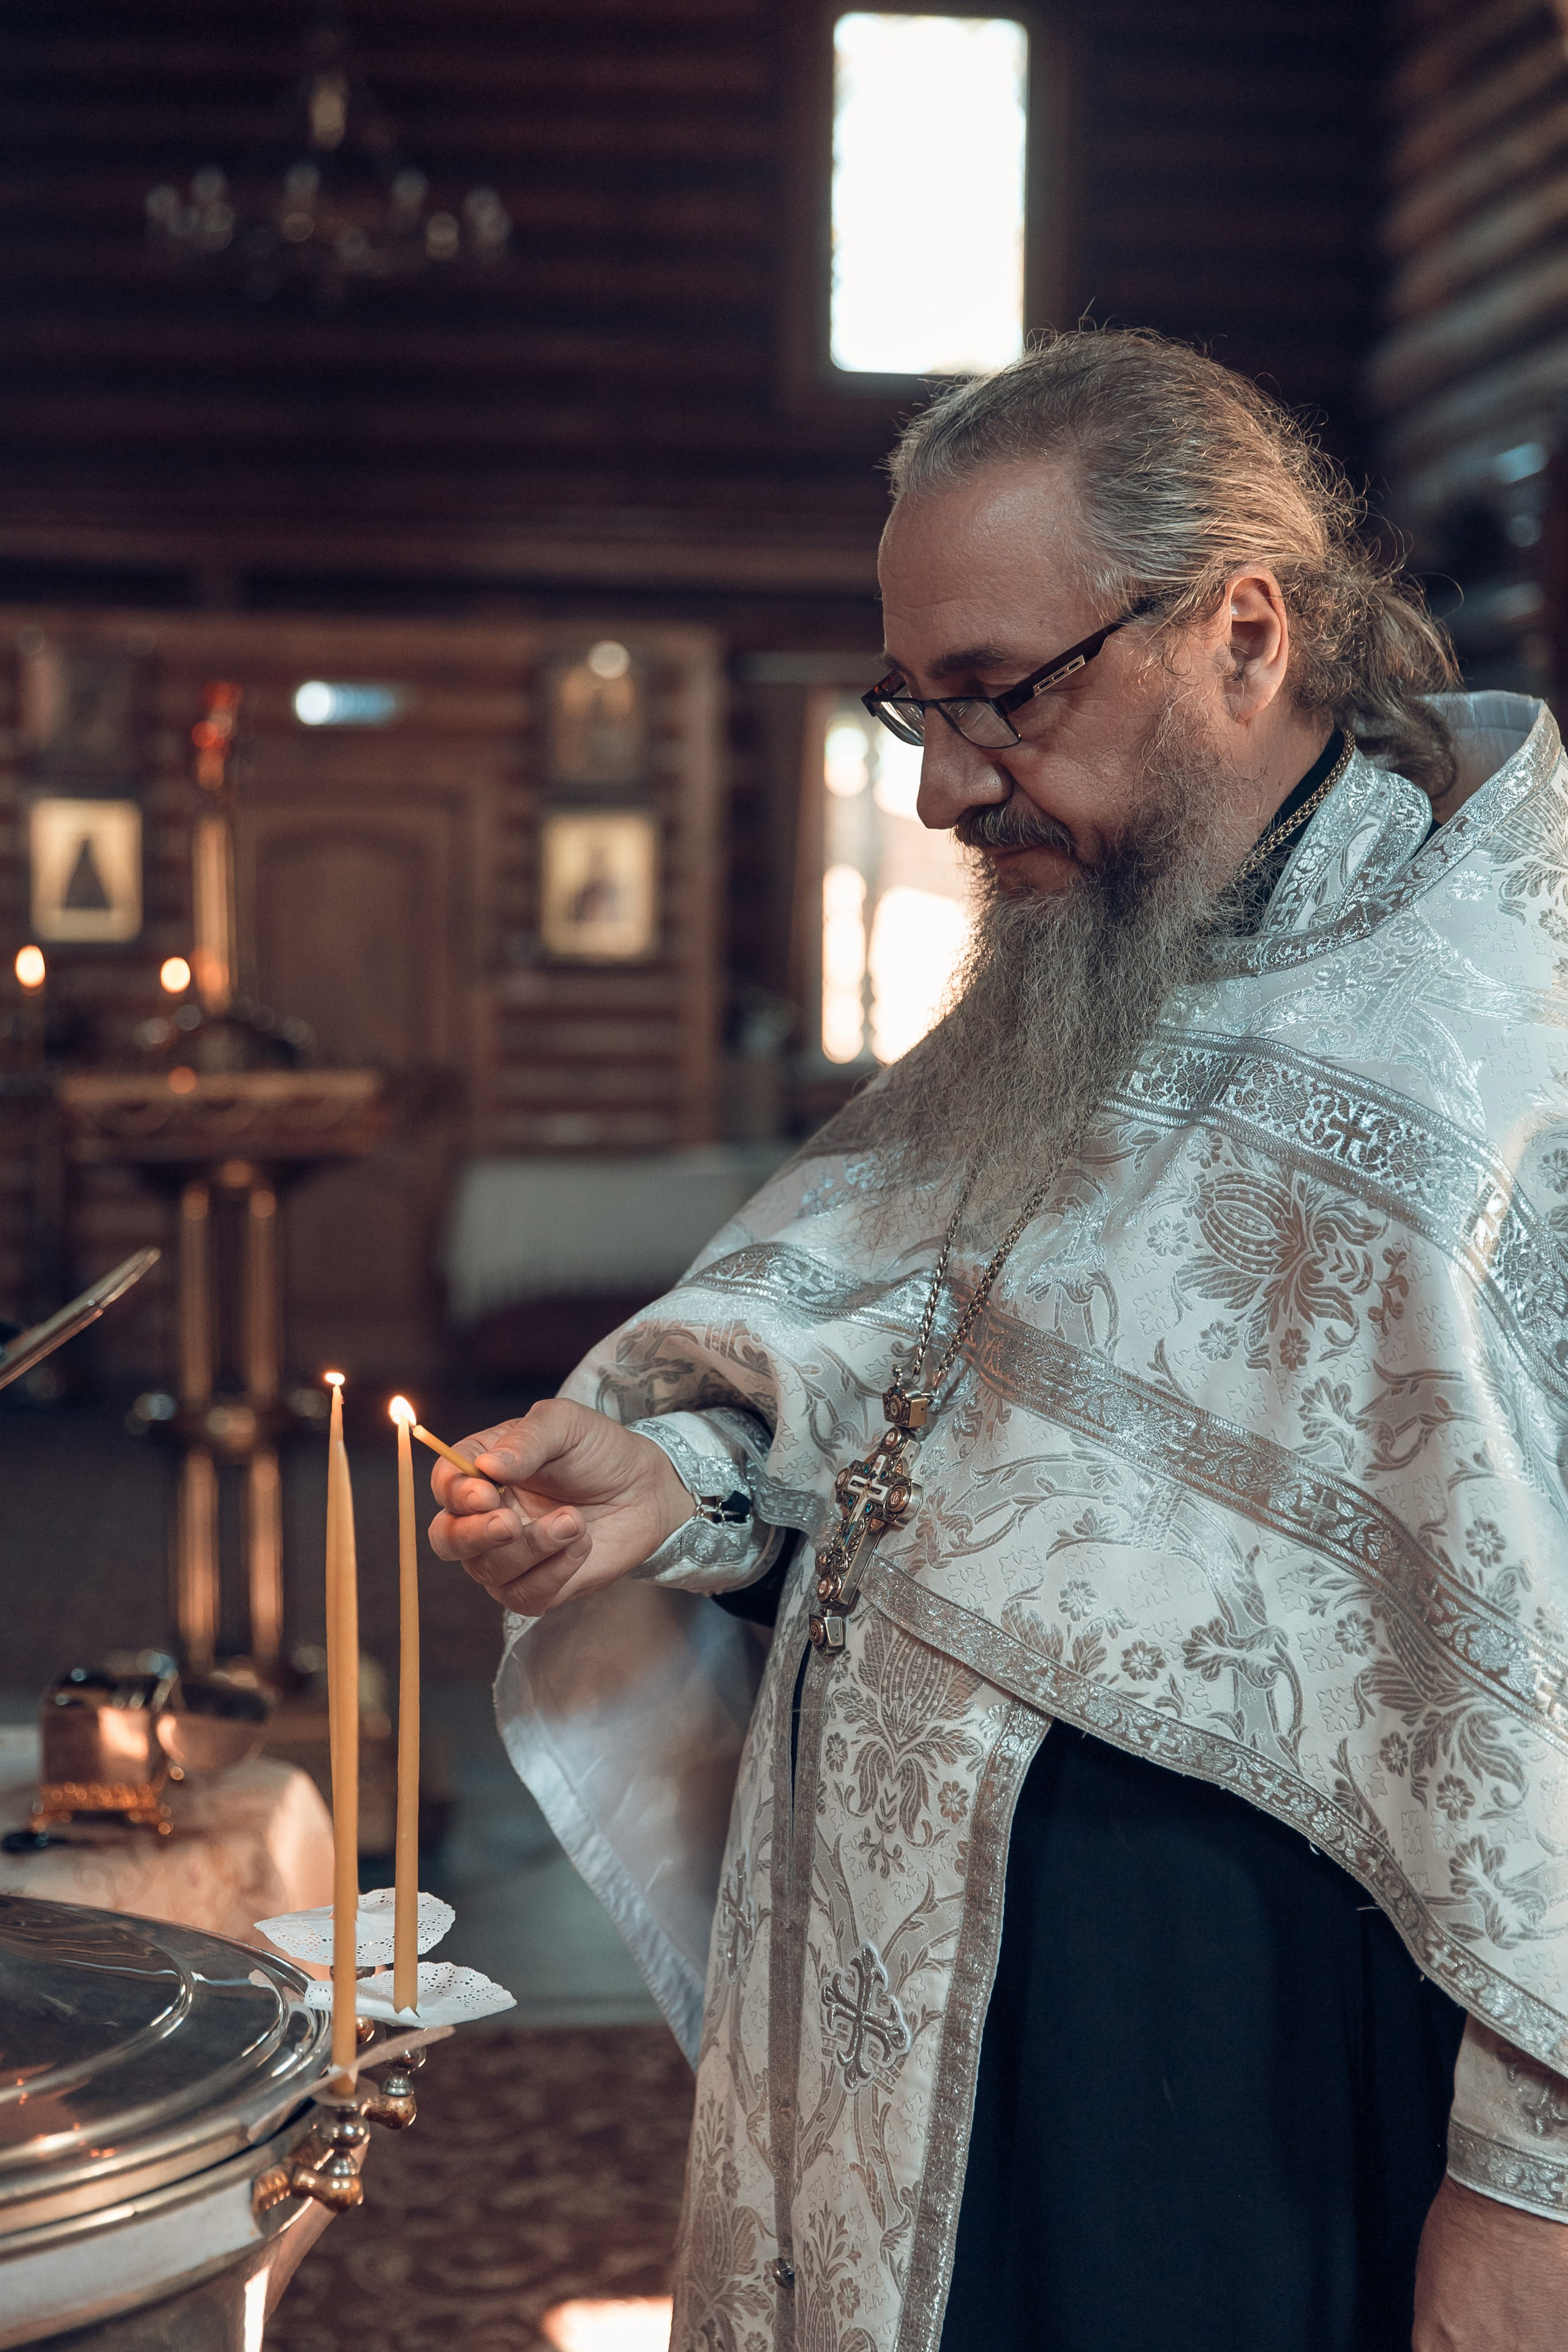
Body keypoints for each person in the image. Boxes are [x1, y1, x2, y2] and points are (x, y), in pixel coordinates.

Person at [430, 330, 1568, 2351]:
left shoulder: (1508, 1051)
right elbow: (908, 1343)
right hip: (903, 2035)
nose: (948, 786)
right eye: (913, 706)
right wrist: (678, 1483)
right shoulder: (1093, 959)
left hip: (1232, 2078)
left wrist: (1532, 2193)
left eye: (1001, 699)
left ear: (1241, 628)